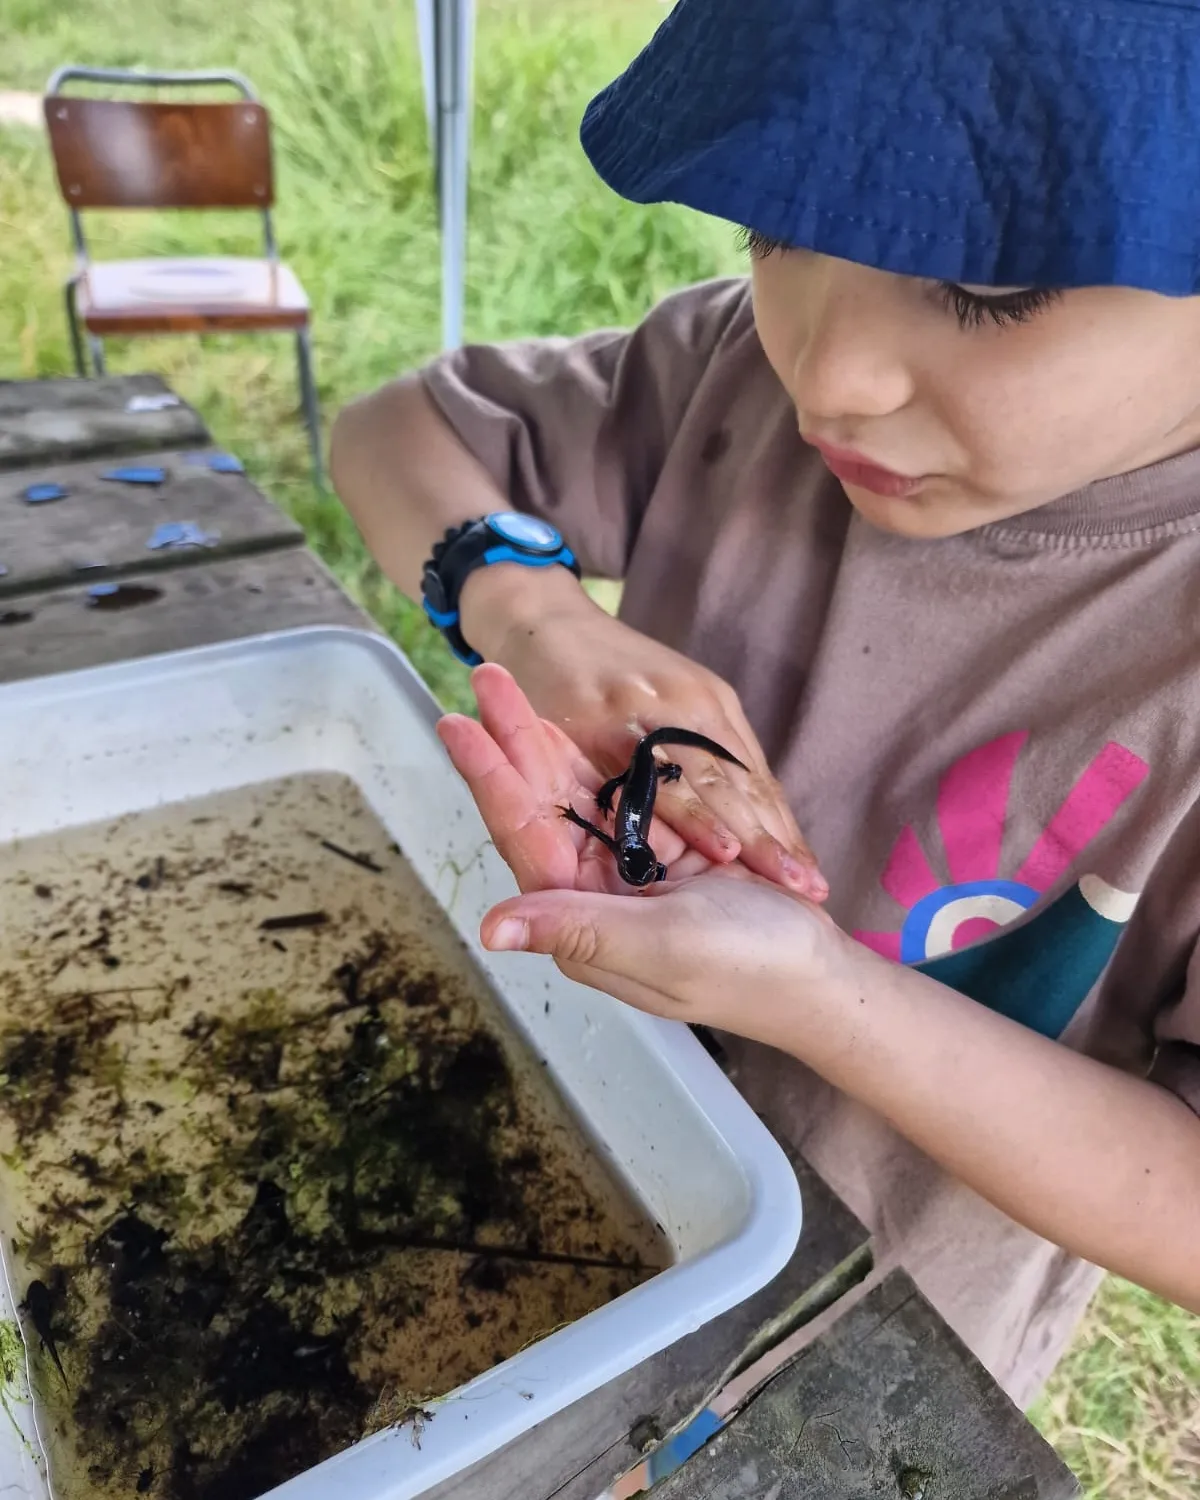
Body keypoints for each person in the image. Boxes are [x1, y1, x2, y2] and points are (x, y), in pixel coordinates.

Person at [330, 0, 1200, 1436]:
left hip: (861, 1344)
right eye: (778, 223)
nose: (829, 372)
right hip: (551, 1141)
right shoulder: (730, 374)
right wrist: (534, 608)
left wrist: (817, 994)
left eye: (986, 283)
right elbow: (395, 429)